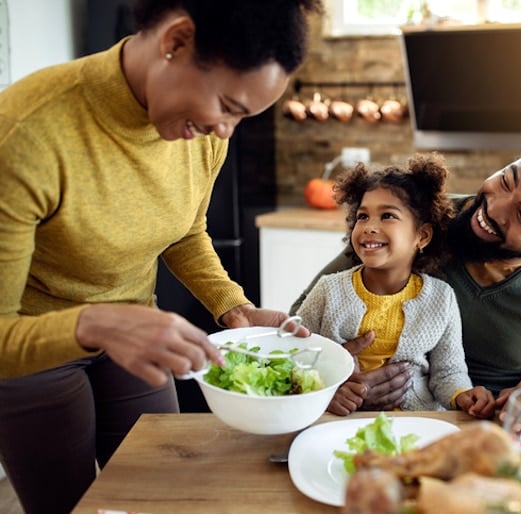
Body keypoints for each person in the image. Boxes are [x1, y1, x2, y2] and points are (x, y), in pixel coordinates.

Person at [0, 1, 322, 513]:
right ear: (176, 41)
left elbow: (184, 231)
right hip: (34, 348)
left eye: (244, 117)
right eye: (228, 105)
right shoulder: (27, 133)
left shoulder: (201, 135)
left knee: (166, 493)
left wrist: (232, 307)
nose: (226, 132)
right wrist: (97, 324)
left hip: (132, 329)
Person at [291, 129, 521, 434]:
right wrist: (333, 378)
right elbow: (301, 325)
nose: (494, 208)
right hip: (359, 428)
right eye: (507, 180)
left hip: (486, 445)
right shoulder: (416, 222)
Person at [296, 154, 495, 418]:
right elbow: (296, 356)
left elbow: (448, 372)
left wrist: (462, 396)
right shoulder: (328, 290)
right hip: (341, 419)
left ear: (422, 236)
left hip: (418, 421)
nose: (369, 227)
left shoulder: (441, 298)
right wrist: (327, 390)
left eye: (387, 215)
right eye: (362, 216)